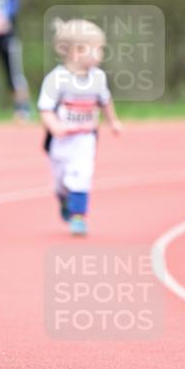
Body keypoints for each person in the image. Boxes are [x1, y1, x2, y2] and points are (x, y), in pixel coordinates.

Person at [38, 18, 122, 236]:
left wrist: (113, 121)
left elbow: (105, 101)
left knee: (82, 175)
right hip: (60, 141)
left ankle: (78, 217)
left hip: (85, 139)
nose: (101, 54)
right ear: (76, 52)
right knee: (61, 182)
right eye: (97, 49)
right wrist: (54, 126)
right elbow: (45, 108)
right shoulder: (56, 79)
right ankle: (63, 198)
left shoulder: (98, 78)